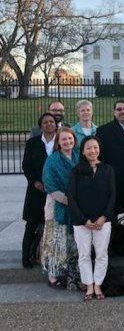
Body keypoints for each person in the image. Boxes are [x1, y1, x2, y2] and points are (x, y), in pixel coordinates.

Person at [68, 136, 115, 301]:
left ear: (99, 149)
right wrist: (83, 220)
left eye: (95, 147)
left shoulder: (108, 170)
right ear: (82, 151)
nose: (92, 151)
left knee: (102, 254)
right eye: (88, 148)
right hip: (82, 222)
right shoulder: (76, 171)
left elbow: (112, 196)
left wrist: (104, 217)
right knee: (84, 254)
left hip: (103, 221)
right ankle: (89, 285)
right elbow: (71, 197)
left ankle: (98, 285)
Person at [41, 127, 80, 290]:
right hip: (57, 205)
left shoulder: (79, 156)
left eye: (70, 138)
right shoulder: (52, 160)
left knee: (72, 243)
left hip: (77, 207)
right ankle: (53, 275)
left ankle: (72, 273)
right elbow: (49, 184)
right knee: (56, 242)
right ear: (58, 142)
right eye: (63, 139)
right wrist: (68, 200)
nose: (67, 142)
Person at [21, 113, 57, 269]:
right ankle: (26, 256)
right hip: (36, 190)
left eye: (51, 122)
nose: (49, 124)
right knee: (32, 224)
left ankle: (49, 256)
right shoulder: (33, 143)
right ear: (40, 126)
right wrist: (35, 182)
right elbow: (26, 165)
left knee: (53, 226)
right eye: (45, 122)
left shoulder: (61, 142)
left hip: (56, 190)